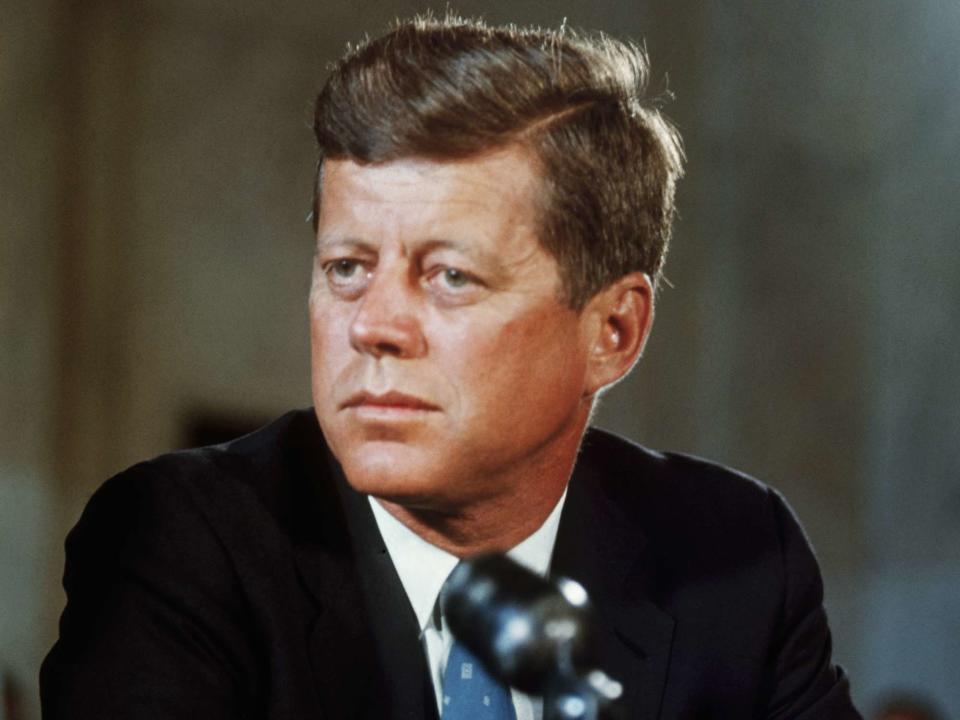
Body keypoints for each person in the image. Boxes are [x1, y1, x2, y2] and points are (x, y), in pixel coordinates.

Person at [40, 15, 862, 720]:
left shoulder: (737, 557)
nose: (374, 326)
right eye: (347, 268)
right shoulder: (179, 544)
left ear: (613, 330)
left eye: (450, 277)